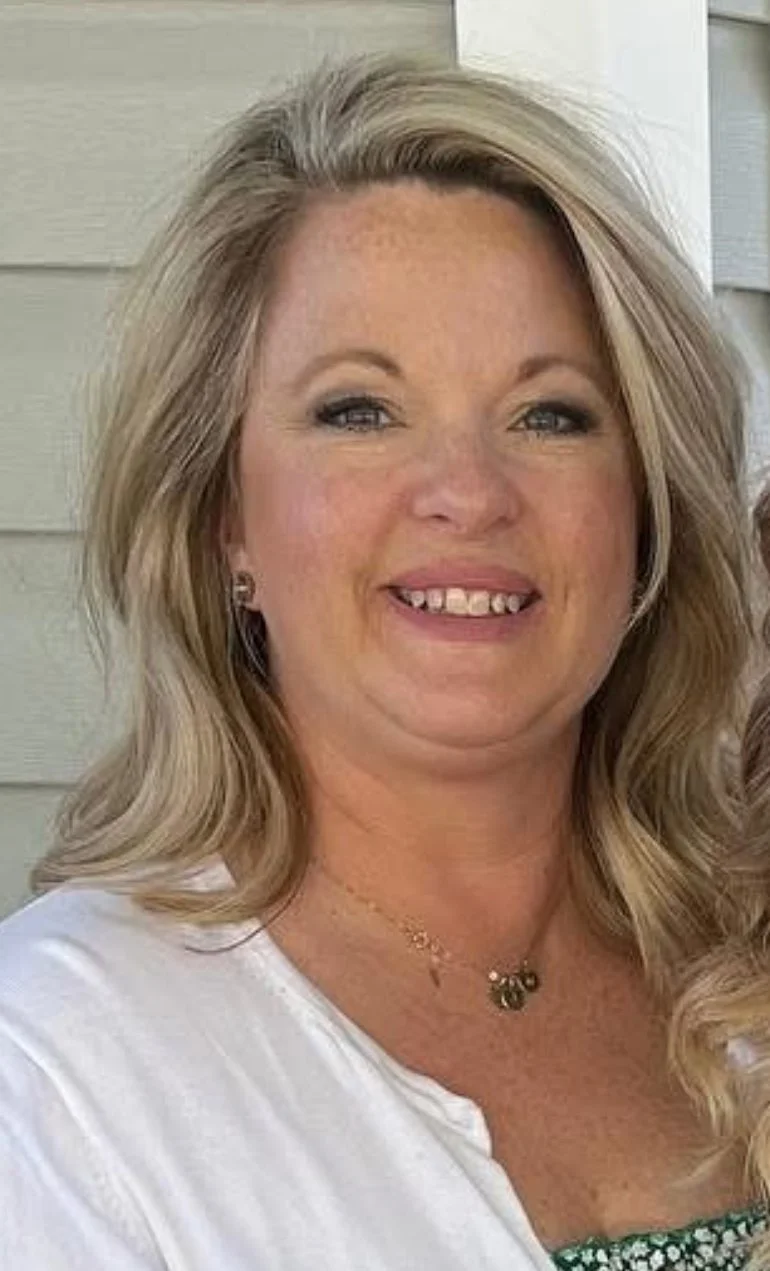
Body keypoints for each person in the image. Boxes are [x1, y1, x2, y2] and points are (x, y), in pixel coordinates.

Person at [1, 51, 769, 1270]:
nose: (466, 491)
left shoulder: (737, 954)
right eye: (357, 409)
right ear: (225, 518)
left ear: (643, 512)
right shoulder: (61, 1069)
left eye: (551, 413)